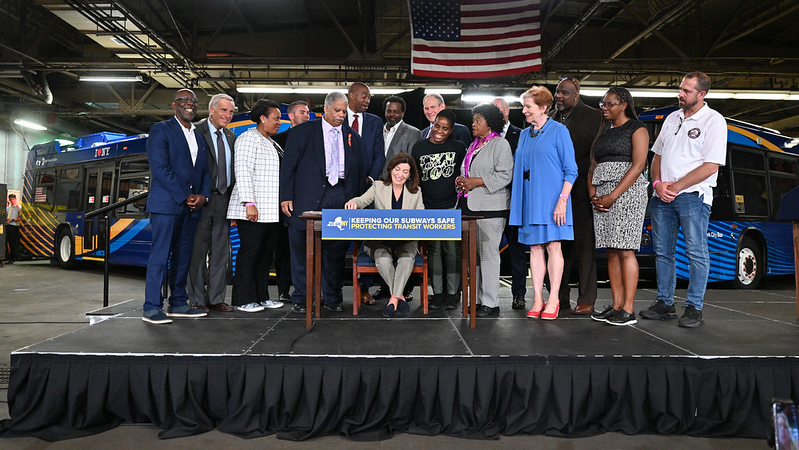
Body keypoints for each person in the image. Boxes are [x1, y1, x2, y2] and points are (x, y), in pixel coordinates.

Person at [638, 71, 727, 328]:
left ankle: (694, 308)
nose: (681, 94)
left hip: (693, 197)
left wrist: (674, 186)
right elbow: (656, 156)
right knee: (662, 253)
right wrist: (657, 184)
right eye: (680, 89)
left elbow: (711, 166)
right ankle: (665, 303)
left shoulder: (713, 121)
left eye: (687, 91)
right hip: (661, 196)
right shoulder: (671, 118)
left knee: (696, 252)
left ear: (702, 95)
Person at [281, 91, 366, 314]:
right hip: (306, 196)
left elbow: (359, 174)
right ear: (326, 110)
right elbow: (288, 168)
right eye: (337, 110)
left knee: (336, 250)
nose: (340, 115)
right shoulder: (301, 133)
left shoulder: (353, 137)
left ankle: (332, 296)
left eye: (343, 111)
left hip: (340, 195)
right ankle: (302, 296)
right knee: (301, 248)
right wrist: (286, 197)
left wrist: (356, 201)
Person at [142, 89, 210, 324]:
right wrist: (185, 195)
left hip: (191, 208)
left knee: (183, 258)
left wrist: (202, 196)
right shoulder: (161, 130)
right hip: (166, 205)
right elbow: (160, 168)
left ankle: (178, 303)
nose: (189, 104)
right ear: (174, 105)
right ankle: (151, 307)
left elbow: (203, 171)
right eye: (184, 100)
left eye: (193, 101)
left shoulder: (199, 137)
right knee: (160, 257)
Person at [509, 86, 578, 321]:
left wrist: (562, 201)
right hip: (530, 200)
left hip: (553, 201)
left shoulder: (560, 131)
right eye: (524, 106)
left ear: (543, 107)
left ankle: (554, 299)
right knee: (535, 248)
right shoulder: (525, 134)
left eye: (528, 107)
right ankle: (537, 298)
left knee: (553, 247)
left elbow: (571, 171)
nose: (524, 111)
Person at [587, 87, 649, 326]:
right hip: (602, 195)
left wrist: (613, 195)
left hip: (626, 194)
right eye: (603, 104)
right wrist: (593, 194)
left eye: (609, 104)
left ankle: (629, 310)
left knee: (625, 249)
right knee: (610, 250)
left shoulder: (637, 128)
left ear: (623, 104)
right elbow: (593, 165)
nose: (604, 107)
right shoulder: (603, 131)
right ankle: (616, 306)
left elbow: (639, 165)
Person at [345, 153, 424, 317]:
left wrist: (410, 217)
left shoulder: (416, 192)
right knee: (383, 259)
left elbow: (421, 217)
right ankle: (399, 296)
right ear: (391, 169)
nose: (400, 174)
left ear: (410, 175)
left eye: (405, 171)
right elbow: (361, 200)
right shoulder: (379, 186)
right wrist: (353, 202)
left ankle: (393, 300)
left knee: (407, 258)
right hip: (379, 241)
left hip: (405, 240)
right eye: (397, 169)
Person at [550, 76, 603, 315]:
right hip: (554, 192)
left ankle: (587, 299)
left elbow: (596, 155)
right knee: (559, 246)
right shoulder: (551, 117)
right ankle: (559, 297)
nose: (559, 96)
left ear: (577, 95)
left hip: (581, 190)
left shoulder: (594, 117)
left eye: (565, 93)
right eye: (558, 92)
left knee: (584, 246)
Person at [455, 103, 514, 318]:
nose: (473, 124)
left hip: (491, 208)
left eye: (478, 120)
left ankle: (491, 302)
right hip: (471, 207)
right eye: (473, 120)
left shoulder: (500, 144)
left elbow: (505, 175)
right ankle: (478, 300)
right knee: (476, 258)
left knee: (489, 256)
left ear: (489, 123)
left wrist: (475, 182)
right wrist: (462, 182)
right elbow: (468, 172)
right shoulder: (474, 145)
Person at [226, 99, 284, 313]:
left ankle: (261, 297)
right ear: (263, 118)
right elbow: (242, 172)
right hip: (252, 208)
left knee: (265, 255)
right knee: (250, 253)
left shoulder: (270, 141)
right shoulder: (248, 139)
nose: (279, 122)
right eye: (276, 118)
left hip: (270, 210)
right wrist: (249, 203)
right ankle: (243, 299)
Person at [411, 109, 466, 311]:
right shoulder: (419, 147)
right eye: (437, 126)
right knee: (433, 251)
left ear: (451, 130)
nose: (439, 131)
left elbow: (464, 175)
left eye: (445, 128)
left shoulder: (459, 148)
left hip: (451, 207)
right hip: (428, 207)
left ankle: (452, 294)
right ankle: (437, 294)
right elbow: (414, 179)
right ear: (432, 125)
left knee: (451, 251)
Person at [187, 93, 236, 313]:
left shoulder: (231, 136)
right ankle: (196, 299)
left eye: (231, 112)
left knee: (221, 253)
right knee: (197, 252)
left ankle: (216, 299)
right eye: (224, 110)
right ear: (212, 110)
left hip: (224, 201)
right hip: (201, 201)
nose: (228, 115)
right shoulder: (195, 131)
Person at [272, 100, 311, 303]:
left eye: (308, 112)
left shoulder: (315, 138)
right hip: (284, 202)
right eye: (303, 112)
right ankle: (283, 289)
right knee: (283, 248)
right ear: (291, 116)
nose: (307, 115)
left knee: (306, 249)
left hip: (307, 202)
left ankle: (306, 290)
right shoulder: (278, 140)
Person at [492, 97, 527, 310]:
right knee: (487, 251)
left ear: (507, 112)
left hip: (514, 201)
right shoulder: (482, 138)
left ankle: (519, 295)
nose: (494, 114)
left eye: (498, 110)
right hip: (491, 202)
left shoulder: (521, 135)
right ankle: (486, 296)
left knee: (516, 251)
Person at [348, 82, 385, 183]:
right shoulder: (339, 119)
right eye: (364, 97)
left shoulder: (375, 122)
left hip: (365, 183)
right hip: (341, 184)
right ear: (352, 95)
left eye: (369, 98)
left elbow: (379, 154)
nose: (367, 101)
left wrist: (371, 178)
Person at [382, 96, 423, 173]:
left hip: (399, 181)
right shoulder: (378, 131)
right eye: (389, 111)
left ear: (403, 113)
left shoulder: (414, 133)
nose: (392, 114)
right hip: (376, 181)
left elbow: (413, 164)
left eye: (396, 112)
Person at [5, 194, 21, 263]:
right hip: (7, 225)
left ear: (15, 199)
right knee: (6, 241)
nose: (12, 201)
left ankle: (13, 257)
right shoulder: (7, 208)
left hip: (14, 226)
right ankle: (7, 256)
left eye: (13, 199)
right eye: (10, 199)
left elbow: (20, 218)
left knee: (13, 242)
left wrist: (13, 220)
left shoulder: (18, 208)